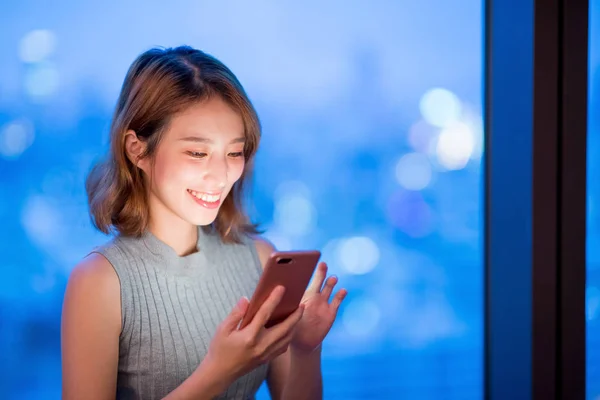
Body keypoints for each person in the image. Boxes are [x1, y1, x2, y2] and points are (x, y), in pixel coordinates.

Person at [61, 46, 347, 400]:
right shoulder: (100, 282)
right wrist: (218, 371)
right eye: (197, 153)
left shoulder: (257, 259)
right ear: (137, 150)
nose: (220, 175)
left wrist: (306, 350)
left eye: (234, 152)